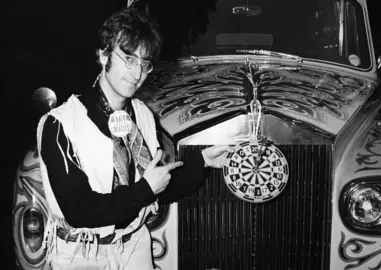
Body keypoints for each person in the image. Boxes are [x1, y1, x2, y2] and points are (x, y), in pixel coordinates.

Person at [36, 7, 234, 269]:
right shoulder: (61, 124)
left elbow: (156, 187)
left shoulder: (142, 115)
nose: (137, 72)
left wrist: (203, 161)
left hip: (135, 247)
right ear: (103, 54)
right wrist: (146, 189)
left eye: (145, 63)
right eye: (128, 58)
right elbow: (79, 209)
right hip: (83, 252)